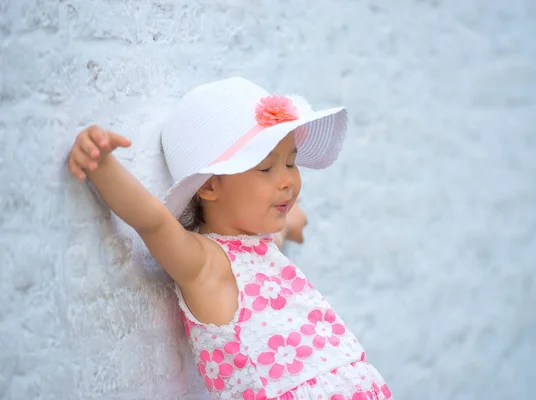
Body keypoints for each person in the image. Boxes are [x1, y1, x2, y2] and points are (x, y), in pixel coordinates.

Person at [67, 77, 392, 399]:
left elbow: (275, 235)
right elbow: (152, 221)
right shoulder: (207, 265)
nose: (288, 181)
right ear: (209, 186)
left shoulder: (258, 246)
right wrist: (101, 166)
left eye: (291, 163)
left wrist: (289, 221)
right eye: (265, 168)